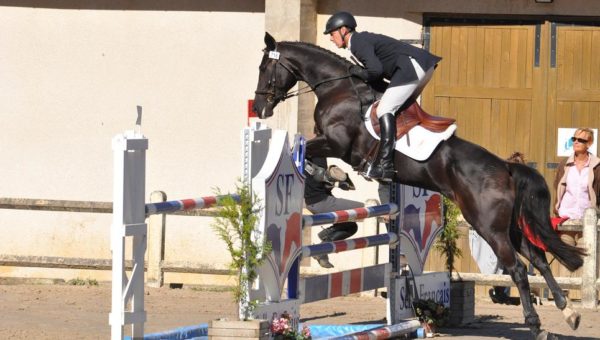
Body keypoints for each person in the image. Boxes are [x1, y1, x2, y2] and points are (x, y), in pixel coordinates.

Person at [323, 11, 442, 181]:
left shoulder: (357, 41)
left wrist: (357, 71)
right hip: (421, 66)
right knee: (399, 111)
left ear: (343, 30)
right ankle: (411, 153)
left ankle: (385, 165)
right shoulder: (360, 41)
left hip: (411, 66)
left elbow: (375, 71)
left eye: (332, 33)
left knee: (385, 109)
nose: (331, 38)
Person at [304, 157, 363, 268]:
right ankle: (323, 244)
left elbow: (319, 183)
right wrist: (337, 180)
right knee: (366, 208)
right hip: (320, 201)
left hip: (318, 200)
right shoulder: (316, 154)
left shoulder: (304, 155)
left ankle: (322, 247)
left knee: (350, 226)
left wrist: (336, 182)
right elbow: (319, 179)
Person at [554, 127, 600, 246]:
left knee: (586, 262)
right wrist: (557, 210)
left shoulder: (597, 166)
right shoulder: (564, 164)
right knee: (565, 262)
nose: (576, 142)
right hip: (566, 220)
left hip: (588, 222)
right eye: (574, 139)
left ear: (589, 144)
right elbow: (558, 188)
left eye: (581, 140)